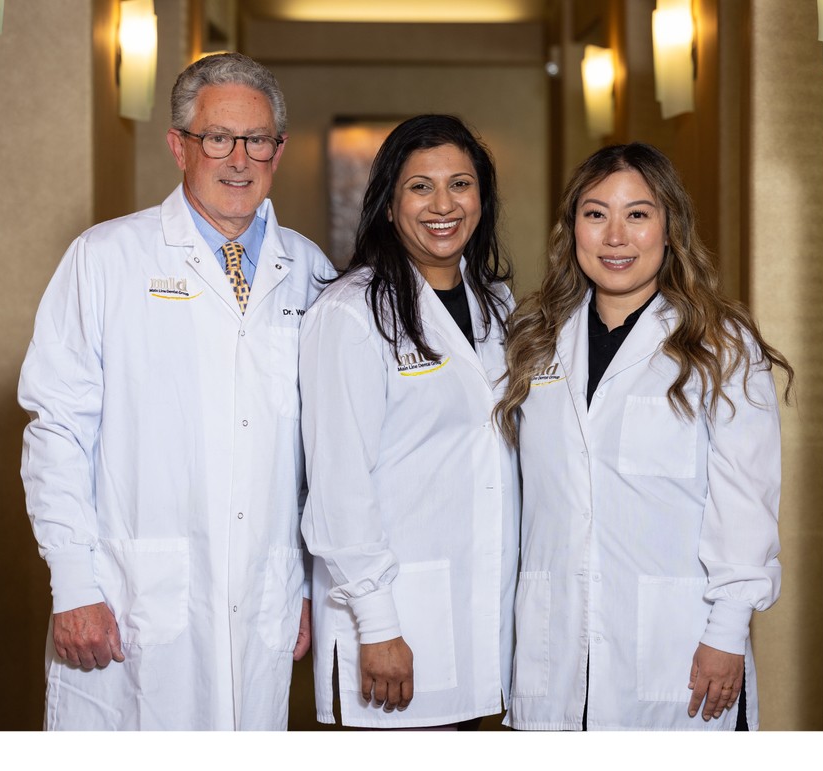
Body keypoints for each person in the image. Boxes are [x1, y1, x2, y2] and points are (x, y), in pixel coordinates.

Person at [18, 53, 334, 730]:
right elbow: (58, 431)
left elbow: (321, 450)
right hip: (130, 598)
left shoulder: (311, 273)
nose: (239, 159)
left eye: (258, 140)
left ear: (279, 149)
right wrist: (74, 583)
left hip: (264, 596)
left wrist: (305, 584)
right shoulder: (105, 259)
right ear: (179, 146)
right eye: (218, 138)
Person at [495, 142, 793, 731]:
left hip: (678, 648)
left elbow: (745, 503)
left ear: (669, 227)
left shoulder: (720, 346)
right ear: (572, 227)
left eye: (638, 214)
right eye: (595, 213)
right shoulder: (534, 338)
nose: (615, 236)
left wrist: (727, 630)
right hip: (555, 650)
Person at [298, 114, 520, 728]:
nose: (443, 204)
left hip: (484, 614)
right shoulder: (350, 314)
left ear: (482, 198)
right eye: (420, 187)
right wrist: (379, 624)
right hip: (395, 622)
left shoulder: (497, 306)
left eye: (461, 184)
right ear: (389, 207)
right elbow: (339, 486)